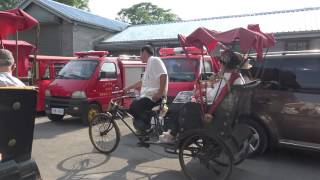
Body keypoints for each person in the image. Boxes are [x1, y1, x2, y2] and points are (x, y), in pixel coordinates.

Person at [125, 45, 168, 135]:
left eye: (140, 53)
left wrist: (160, 93)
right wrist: (127, 88)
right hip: (148, 96)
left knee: (134, 106)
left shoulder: (154, 60)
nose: (140, 56)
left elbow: (163, 75)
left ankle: (146, 126)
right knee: (134, 106)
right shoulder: (148, 65)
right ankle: (145, 127)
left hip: (154, 97)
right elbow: (141, 82)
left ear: (144, 52)